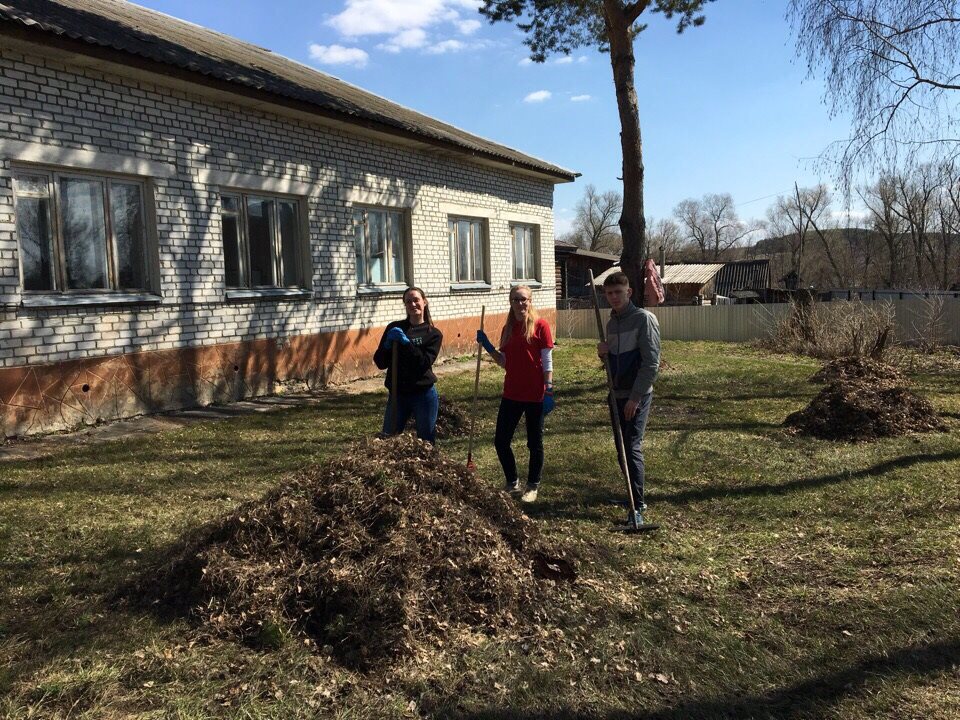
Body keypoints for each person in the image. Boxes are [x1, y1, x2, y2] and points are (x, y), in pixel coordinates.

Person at [476, 285, 555, 503]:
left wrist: (549, 388)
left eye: (523, 299)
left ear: (530, 301)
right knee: (501, 441)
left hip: (536, 394)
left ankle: (533, 485)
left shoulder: (540, 325)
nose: (520, 303)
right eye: (515, 300)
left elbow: (547, 360)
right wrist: (488, 346)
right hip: (512, 392)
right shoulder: (508, 329)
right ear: (510, 302)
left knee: (534, 443)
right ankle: (512, 482)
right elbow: (505, 362)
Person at [596, 271, 661, 525]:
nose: (614, 297)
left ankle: (638, 505)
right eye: (609, 293)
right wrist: (603, 354)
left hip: (637, 395)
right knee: (621, 449)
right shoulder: (611, 324)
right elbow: (613, 364)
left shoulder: (644, 319)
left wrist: (635, 398)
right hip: (616, 394)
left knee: (631, 446)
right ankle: (631, 494)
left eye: (618, 292)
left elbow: (651, 364)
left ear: (629, 292)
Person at [373, 287, 443, 443]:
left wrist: (407, 344)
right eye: (408, 301)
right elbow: (380, 363)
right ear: (405, 305)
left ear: (424, 302)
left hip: (423, 395)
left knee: (426, 442)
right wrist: (387, 346)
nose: (413, 304)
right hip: (398, 395)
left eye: (416, 300)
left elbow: (423, 363)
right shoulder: (395, 328)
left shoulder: (433, 334)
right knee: (388, 440)